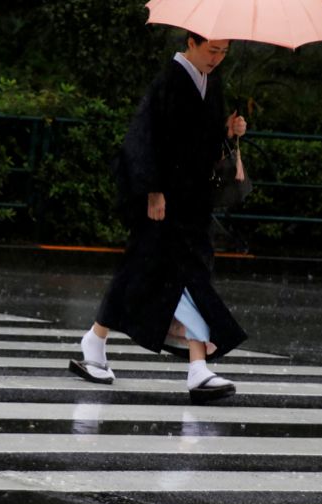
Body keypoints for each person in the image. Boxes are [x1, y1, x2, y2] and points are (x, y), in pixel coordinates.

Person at [68, 32, 249, 404]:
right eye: (212, 50)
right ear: (191, 43)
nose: (217, 58)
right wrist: (152, 189)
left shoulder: (211, 82)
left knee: (155, 271)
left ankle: (97, 338)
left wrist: (229, 132)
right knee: (176, 273)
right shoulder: (169, 79)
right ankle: (197, 368)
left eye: (224, 52)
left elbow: (206, 142)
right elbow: (144, 138)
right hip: (164, 196)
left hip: (193, 199)